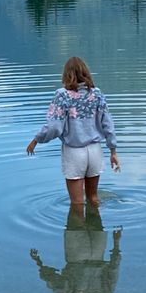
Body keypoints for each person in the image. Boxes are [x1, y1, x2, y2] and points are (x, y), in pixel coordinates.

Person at [26, 55, 120, 210]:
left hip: (74, 153)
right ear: (85, 72)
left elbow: (54, 127)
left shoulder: (62, 95)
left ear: (66, 74)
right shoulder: (96, 94)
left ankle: (78, 232)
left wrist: (37, 139)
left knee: (77, 203)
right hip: (95, 151)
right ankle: (97, 232)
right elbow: (108, 124)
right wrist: (113, 151)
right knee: (93, 198)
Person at [30, 204, 123, 293]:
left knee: (93, 211)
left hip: (96, 252)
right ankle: (84, 192)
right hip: (77, 255)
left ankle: (84, 192)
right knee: (76, 213)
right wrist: (39, 264)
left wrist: (116, 244)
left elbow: (113, 273)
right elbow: (55, 283)